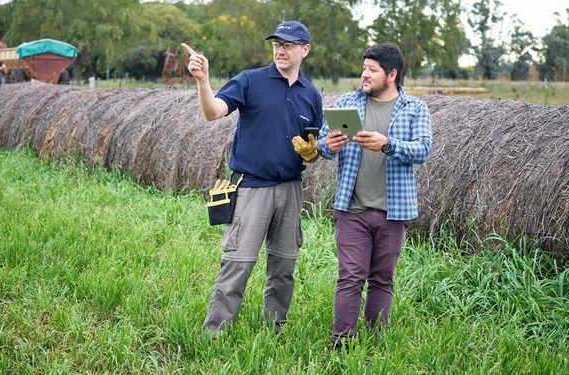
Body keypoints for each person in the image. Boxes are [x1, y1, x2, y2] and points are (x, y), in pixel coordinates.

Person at [181, 20, 323, 336]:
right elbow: (213, 111)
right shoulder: (250, 81)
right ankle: (215, 333)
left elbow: (313, 147)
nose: (280, 49)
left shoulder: (311, 95)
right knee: (238, 263)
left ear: (305, 50)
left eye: (288, 44)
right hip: (251, 187)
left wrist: (313, 152)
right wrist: (203, 81)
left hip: (290, 189)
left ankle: (276, 328)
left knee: (284, 267)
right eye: (276, 43)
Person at [315, 43, 432, 347]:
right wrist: (331, 144)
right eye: (364, 67)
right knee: (351, 276)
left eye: (372, 69)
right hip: (351, 208)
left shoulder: (414, 108)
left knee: (382, 278)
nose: (364, 74)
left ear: (391, 74)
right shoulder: (347, 103)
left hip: (394, 211)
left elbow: (423, 150)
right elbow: (322, 148)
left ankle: (376, 338)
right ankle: (341, 341)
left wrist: (387, 144)